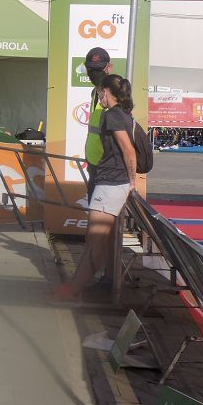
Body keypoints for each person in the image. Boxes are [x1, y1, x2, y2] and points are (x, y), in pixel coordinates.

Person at [50, 74, 137, 305]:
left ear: (108, 92)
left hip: (111, 184)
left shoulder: (112, 116)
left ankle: (73, 291)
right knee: (95, 242)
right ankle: (74, 288)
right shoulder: (124, 115)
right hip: (112, 183)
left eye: (101, 93)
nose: (99, 97)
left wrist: (132, 181)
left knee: (94, 243)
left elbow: (128, 150)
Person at [83, 47, 113, 201]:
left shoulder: (113, 92)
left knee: (101, 217)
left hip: (107, 166)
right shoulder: (95, 92)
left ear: (109, 67)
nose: (93, 74)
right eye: (91, 69)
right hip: (95, 163)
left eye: (97, 69)